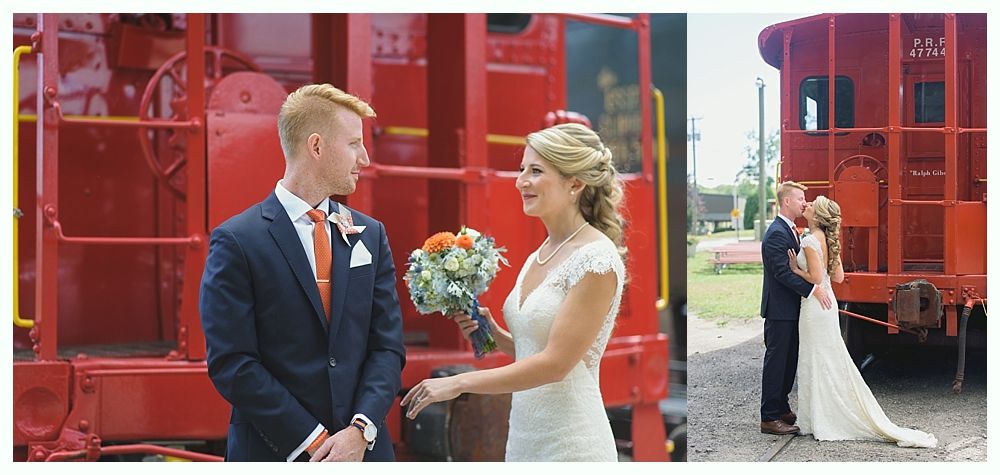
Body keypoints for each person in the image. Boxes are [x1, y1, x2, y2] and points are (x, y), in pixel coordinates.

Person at [199, 84, 405, 462]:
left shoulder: (371, 235)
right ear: (316, 146)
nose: (365, 158)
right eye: (354, 144)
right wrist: (314, 442)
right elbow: (233, 362)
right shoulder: (237, 241)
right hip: (275, 452)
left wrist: (360, 431)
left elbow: (387, 347)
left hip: (365, 453)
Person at [400, 123, 626, 461]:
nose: (521, 181)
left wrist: (459, 383)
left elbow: (555, 365)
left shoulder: (596, 260)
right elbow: (534, 349)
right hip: (523, 440)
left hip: (572, 444)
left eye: (535, 171)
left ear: (575, 184)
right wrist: (493, 335)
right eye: (522, 170)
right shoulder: (543, 252)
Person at [787, 196, 937, 447]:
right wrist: (817, 272)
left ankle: (817, 418)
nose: (808, 204)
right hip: (827, 304)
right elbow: (838, 277)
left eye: (812, 204)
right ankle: (818, 416)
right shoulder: (825, 241)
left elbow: (814, 278)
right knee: (826, 360)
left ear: (818, 216)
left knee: (816, 359)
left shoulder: (812, 241)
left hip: (815, 306)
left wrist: (795, 269)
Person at [758, 181, 833, 435]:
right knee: (776, 362)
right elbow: (782, 273)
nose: (804, 202)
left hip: (792, 309)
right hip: (779, 311)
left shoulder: (791, 230)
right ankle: (769, 417)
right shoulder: (776, 233)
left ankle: (781, 407)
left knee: (789, 361)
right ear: (787, 201)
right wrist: (814, 290)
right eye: (801, 198)